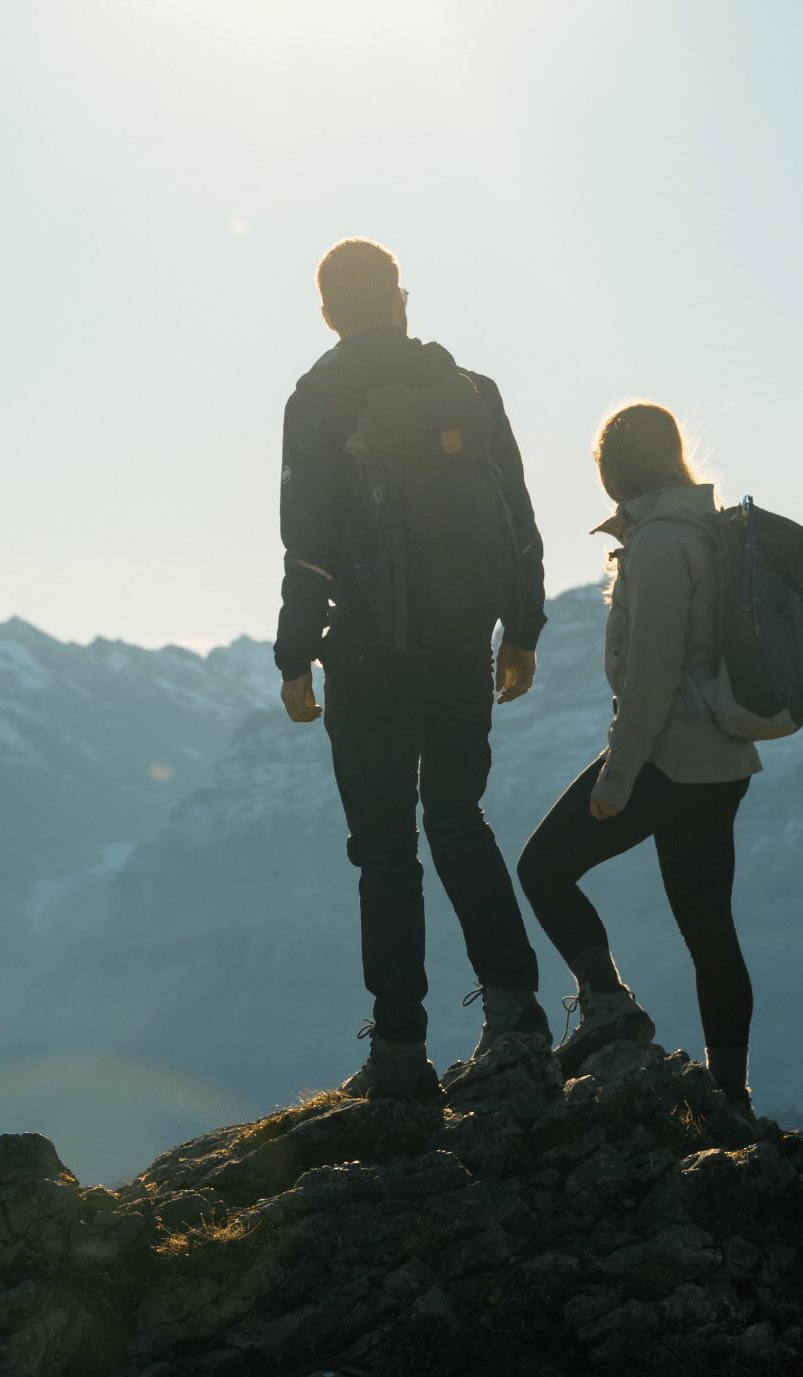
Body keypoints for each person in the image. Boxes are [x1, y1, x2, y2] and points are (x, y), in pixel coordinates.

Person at [275, 237, 551, 1102]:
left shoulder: (317, 398)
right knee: (459, 816)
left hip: (365, 650)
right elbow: (519, 521)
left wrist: (293, 654)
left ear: (326, 312)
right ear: (400, 299)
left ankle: (399, 1052)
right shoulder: (470, 390)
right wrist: (521, 632)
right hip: (462, 640)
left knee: (386, 850)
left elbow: (306, 542)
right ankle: (516, 1014)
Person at [514, 401, 764, 1112]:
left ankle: (606, 1003)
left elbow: (652, 675)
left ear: (616, 468)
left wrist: (617, 777)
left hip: (667, 757)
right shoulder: (710, 530)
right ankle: (729, 1093)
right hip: (723, 759)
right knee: (709, 929)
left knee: (543, 868)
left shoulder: (658, 544)